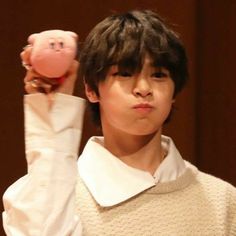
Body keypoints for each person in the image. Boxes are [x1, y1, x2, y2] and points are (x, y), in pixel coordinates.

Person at [2, 10, 236, 235]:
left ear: (174, 90)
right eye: (124, 73)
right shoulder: (53, 194)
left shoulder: (223, 201)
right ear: (92, 89)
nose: (144, 89)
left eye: (158, 75)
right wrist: (53, 111)